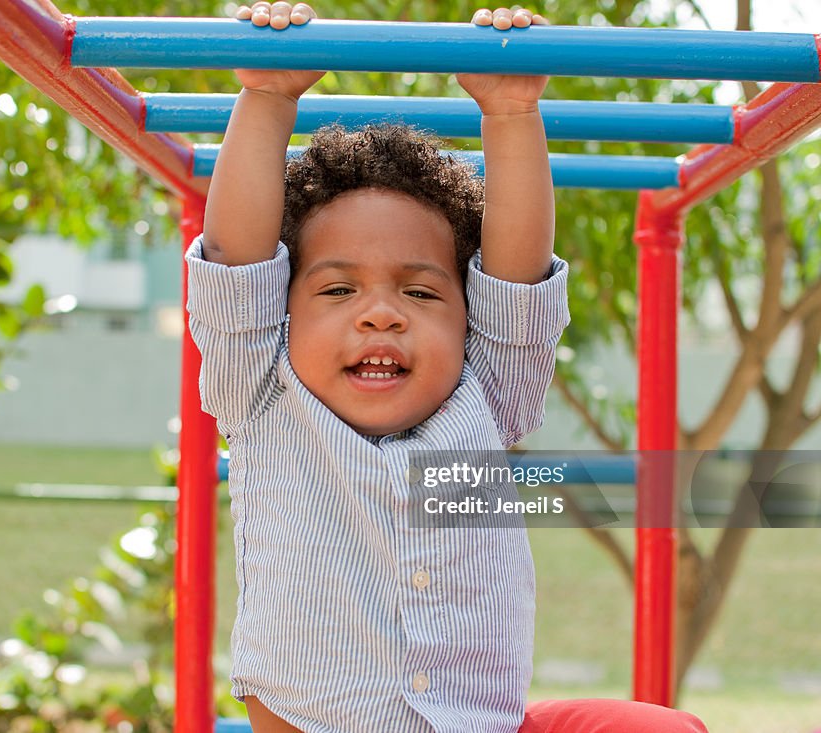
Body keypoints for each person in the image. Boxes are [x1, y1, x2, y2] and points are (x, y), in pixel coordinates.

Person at [185, 2, 709, 731]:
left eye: (421, 290)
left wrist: (511, 112)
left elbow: (516, 282)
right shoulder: (263, 391)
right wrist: (268, 99)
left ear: (469, 317)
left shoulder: (486, 393)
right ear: (283, 309)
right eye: (338, 289)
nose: (380, 314)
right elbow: (236, 264)